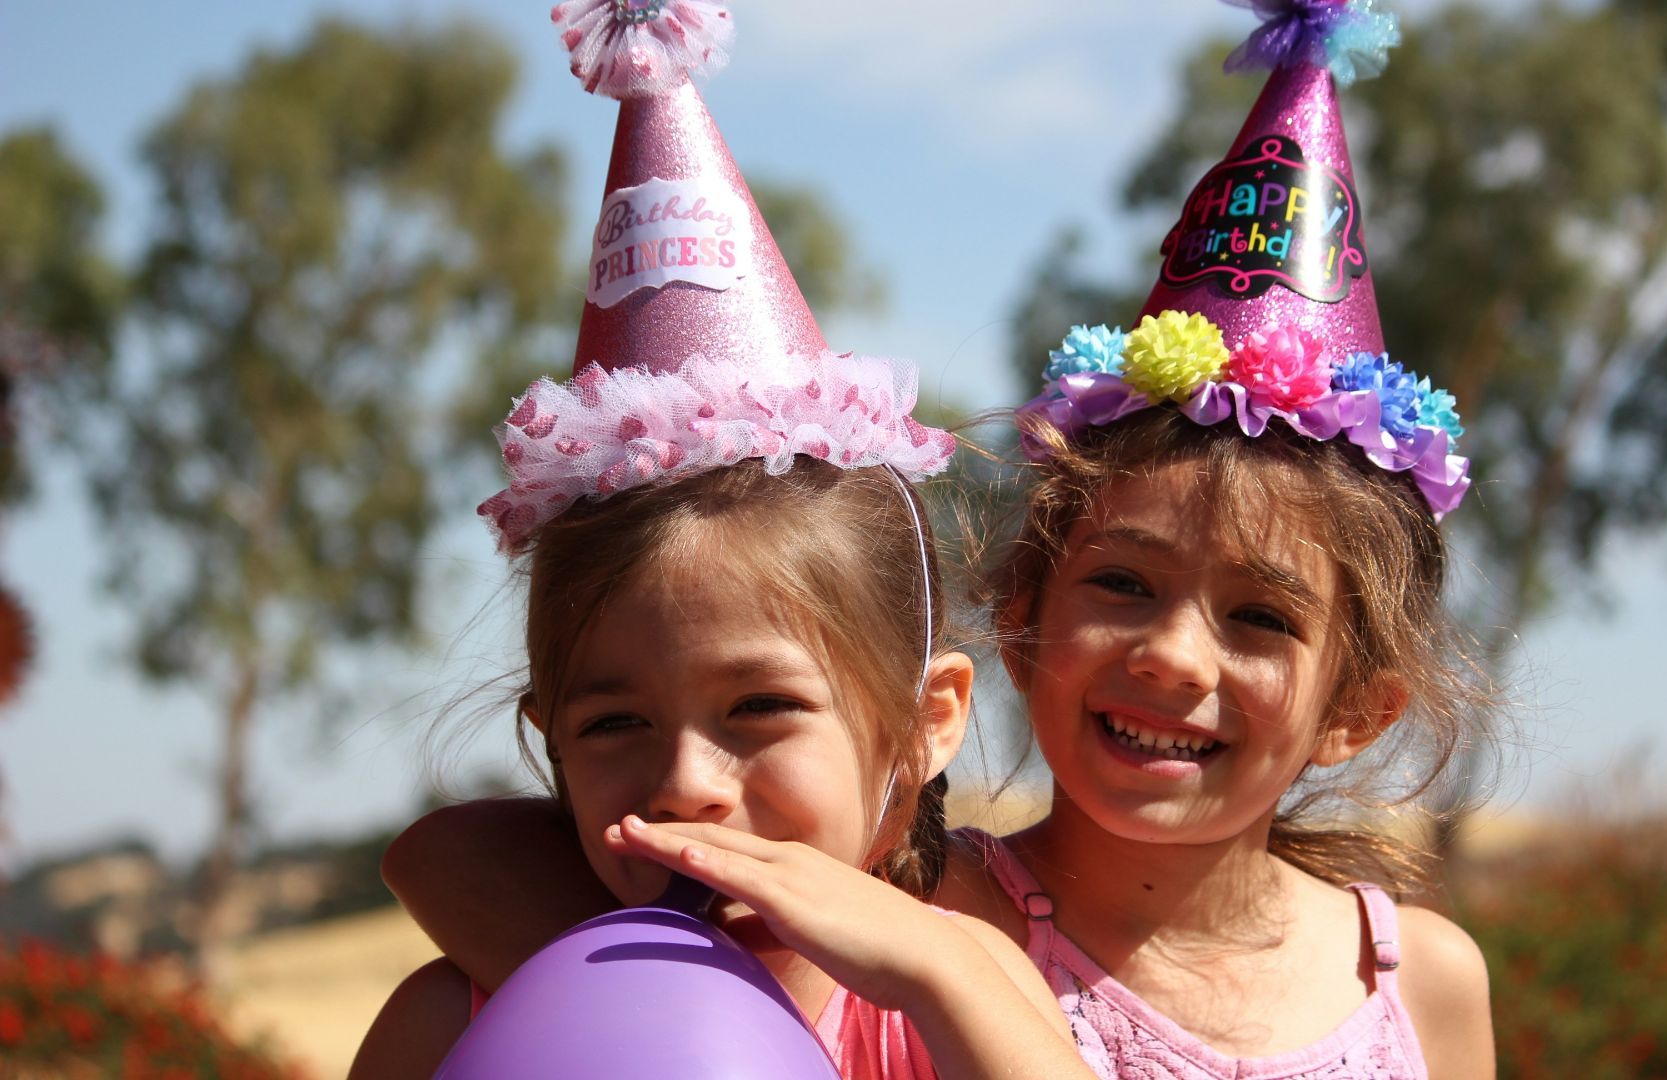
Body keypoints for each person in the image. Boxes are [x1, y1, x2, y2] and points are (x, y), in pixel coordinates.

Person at [380, 1, 1498, 1076]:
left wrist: (939, 970)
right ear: (1021, 616)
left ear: (1360, 706)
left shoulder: (931, 951)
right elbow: (460, 854)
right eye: (1120, 583)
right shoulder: (924, 917)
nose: (1172, 655)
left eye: (1261, 615)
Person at [351, 3, 1095, 1077]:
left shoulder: (954, 1011)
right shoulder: (455, 1021)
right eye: (612, 723)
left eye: (759, 706)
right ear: (547, 740)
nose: (685, 783)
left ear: (927, 722)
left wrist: (947, 977)